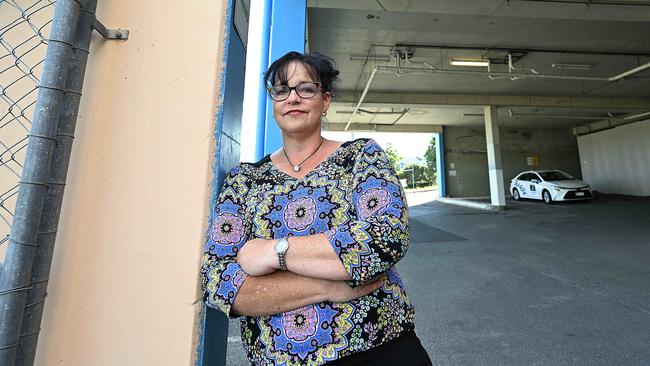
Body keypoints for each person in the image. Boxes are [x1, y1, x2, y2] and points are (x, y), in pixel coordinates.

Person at [201, 51, 431, 365]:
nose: (292, 97)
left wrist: (272, 251)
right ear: (273, 103)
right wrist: (327, 284)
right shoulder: (245, 181)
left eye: (305, 88)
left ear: (324, 100)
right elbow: (219, 282)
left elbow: (383, 240)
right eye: (282, 90)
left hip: (379, 351)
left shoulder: (360, 158)